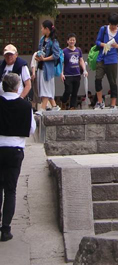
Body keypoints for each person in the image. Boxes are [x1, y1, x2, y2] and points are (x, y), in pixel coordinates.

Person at [0, 72, 36, 242]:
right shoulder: (25, 106)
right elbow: (31, 130)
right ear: (17, 87)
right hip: (15, 150)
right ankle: (5, 229)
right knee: (11, 190)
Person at [94, 13, 118, 110]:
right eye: (111, 25)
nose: (112, 27)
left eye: (114, 25)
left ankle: (113, 103)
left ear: (117, 25)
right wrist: (103, 44)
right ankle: (99, 102)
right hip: (101, 57)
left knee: (112, 82)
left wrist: (116, 46)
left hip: (112, 59)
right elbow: (97, 42)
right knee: (97, 79)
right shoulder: (103, 29)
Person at [35, 20, 61, 112]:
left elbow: (56, 55)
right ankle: (54, 106)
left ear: (47, 29)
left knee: (45, 88)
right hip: (41, 66)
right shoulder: (42, 39)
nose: (41, 29)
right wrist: (38, 58)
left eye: (42, 28)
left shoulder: (53, 41)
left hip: (47, 68)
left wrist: (44, 59)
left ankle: (42, 109)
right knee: (44, 87)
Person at [60, 34, 87, 110]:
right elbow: (62, 63)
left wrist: (84, 70)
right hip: (67, 74)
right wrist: (61, 73)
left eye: (73, 40)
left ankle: (72, 106)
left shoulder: (78, 50)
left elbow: (81, 60)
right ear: (67, 41)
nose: (72, 41)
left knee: (75, 92)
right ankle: (63, 101)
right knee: (68, 90)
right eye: (70, 40)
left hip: (77, 74)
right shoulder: (64, 51)